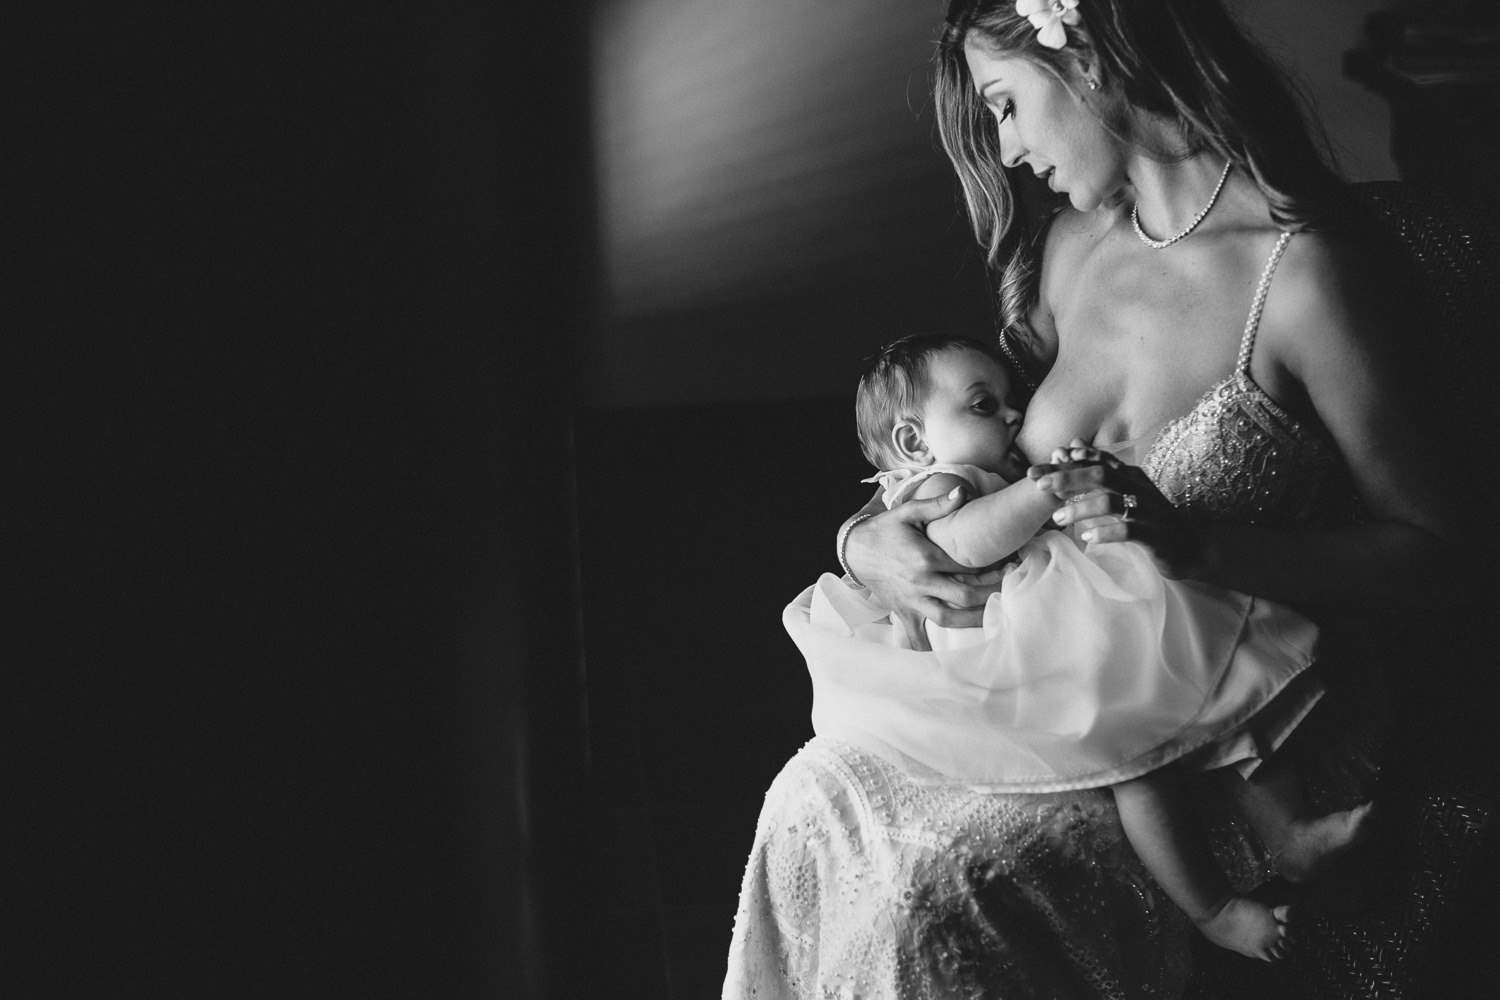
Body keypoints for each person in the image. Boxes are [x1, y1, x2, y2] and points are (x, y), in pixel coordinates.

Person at [725, 1, 1465, 997]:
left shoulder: (1301, 277)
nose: (1011, 150)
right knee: (812, 794)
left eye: (1009, 106)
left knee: (931, 884)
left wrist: (1200, 549)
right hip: (1051, 671)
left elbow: (1441, 553)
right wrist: (869, 543)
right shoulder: (1072, 250)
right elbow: (969, 466)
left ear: (1091, 54)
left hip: (1235, 717)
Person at [788, 332, 1372, 961]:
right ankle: (1216, 909)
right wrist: (1042, 491)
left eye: (1013, 398)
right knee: (1136, 765)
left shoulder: (984, 469)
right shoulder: (939, 484)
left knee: (1214, 692)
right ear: (914, 442)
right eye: (984, 405)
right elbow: (964, 545)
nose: (1014, 415)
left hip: (1058, 626)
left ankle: (1286, 833)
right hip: (1012, 661)